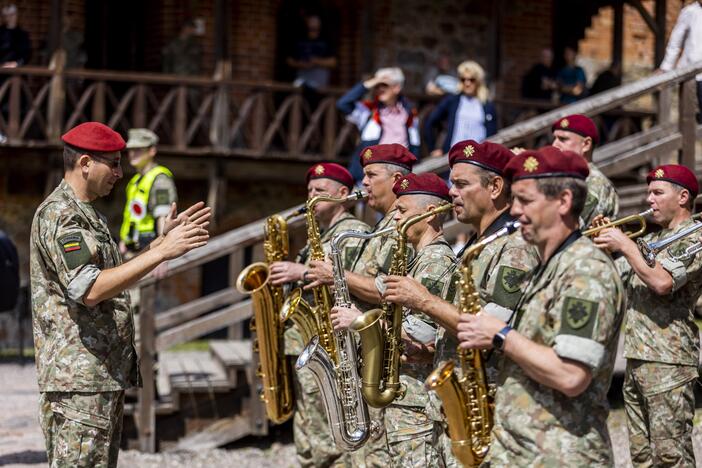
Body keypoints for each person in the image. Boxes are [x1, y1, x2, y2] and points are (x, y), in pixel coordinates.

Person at [29, 122, 211, 467]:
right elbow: (91, 289)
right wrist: (159, 254)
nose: (120, 172)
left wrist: (160, 243)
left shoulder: (88, 214)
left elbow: (108, 275)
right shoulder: (62, 216)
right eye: (112, 163)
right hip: (79, 380)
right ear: (85, 163)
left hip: (97, 375)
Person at [457, 146, 626, 465]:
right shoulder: (548, 266)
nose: (515, 210)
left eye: (526, 200)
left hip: (559, 454)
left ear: (563, 201)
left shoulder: (586, 272)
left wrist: (501, 335)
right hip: (521, 451)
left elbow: (570, 375)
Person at [381, 140, 539, 467]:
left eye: (462, 184)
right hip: (457, 404)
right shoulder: (477, 244)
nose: (451, 192)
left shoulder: (514, 249)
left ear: (495, 187)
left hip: (486, 410)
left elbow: (491, 330)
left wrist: (423, 301)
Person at [331, 172, 456, 467]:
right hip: (404, 396)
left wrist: (360, 320)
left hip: (417, 399)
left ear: (428, 214)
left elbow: (423, 335)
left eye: (402, 211)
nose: (395, 218)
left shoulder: (435, 260)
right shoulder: (417, 257)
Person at [305, 144, 416, 466]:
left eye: (371, 175)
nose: (363, 182)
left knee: (377, 451)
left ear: (396, 179)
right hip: (362, 347)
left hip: (384, 353)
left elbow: (392, 289)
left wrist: (335, 274)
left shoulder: (402, 226)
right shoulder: (383, 223)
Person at [592, 164, 701, 467]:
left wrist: (624, 244)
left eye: (657, 192)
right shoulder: (652, 241)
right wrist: (602, 247)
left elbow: (662, 282)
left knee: (671, 457)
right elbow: (618, 278)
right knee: (641, 457)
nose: (648, 199)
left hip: (669, 360)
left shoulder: (695, 237)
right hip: (638, 356)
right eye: (648, 192)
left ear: (682, 197)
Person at [268, 162, 369, 468]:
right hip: (308, 340)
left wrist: (300, 271)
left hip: (332, 343)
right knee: (309, 422)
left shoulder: (353, 232)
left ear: (343, 194)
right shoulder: (323, 234)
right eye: (309, 190)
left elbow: (355, 283)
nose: (311, 196)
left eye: (320, 191)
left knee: (328, 425)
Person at [336, 68, 420, 183]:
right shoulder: (369, 110)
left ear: (397, 88)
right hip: (370, 172)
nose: (380, 89)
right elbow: (343, 104)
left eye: (384, 85)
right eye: (377, 86)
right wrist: (370, 83)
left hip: (398, 171)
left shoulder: (409, 111)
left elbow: (415, 142)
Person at [552, 114, 619, 227]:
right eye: (554, 138)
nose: (554, 145)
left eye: (563, 139)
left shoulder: (595, 184)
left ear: (586, 144)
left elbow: (564, 226)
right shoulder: (566, 176)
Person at [119, 128, 177, 258]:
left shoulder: (160, 178)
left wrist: (163, 253)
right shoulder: (135, 181)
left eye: (138, 150)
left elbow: (164, 216)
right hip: (132, 250)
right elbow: (132, 216)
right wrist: (124, 241)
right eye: (130, 150)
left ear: (152, 151)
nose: (132, 154)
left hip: (150, 248)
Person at [424, 61, 497, 157]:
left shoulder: (487, 105)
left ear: (478, 81)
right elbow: (430, 121)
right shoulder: (453, 100)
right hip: (454, 156)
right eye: (463, 79)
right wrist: (433, 149)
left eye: (471, 80)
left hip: (478, 158)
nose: (467, 83)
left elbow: (492, 135)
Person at [659, 0, 702, 123]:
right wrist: (666, 67)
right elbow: (675, 41)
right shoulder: (689, 12)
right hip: (692, 74)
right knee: (688, 116)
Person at [286, 14, 337, 91]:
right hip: (301, 79)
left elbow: (333, 62)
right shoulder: (300, 39)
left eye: (315, 21)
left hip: (319, 82)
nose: (313, 24)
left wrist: (316, 61)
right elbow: (289, 60)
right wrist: (300, 64)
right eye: (311, 21)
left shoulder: (325, 40)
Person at [0, 4, 30, 68]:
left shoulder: (23, 35)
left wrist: (17, 63)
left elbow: (26, 55)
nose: (10, 18)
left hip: (16, 69)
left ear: (16, 15)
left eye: (12, 15)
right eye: (7, 15)